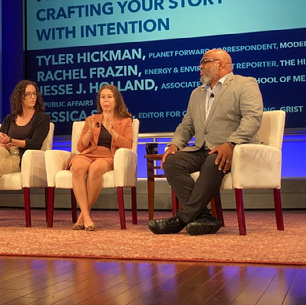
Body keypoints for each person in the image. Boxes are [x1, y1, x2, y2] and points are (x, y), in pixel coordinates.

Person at [148, 48, 263, 236]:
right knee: (171, 162)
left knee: (214, 159)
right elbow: (187, 125)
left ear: (221, 64)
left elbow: (252, 118)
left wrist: (231, 143)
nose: (200, 66)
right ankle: (204, 218)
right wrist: (175, 144)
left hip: (235, 149)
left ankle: (181, 219)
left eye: (205, 61)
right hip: (202, 148)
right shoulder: (197, 93)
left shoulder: (244, 84)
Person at [0, 80, 50, 229]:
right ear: (20, 97)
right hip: (2, 153)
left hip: (20, 156)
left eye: (34, 94)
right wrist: (0, 142)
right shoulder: (9, 118)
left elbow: (35, 143)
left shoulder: (42, 118)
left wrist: (11, 140)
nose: (33, 97)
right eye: (28, 94)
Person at [69, 84, 133, 231]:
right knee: (77, 166)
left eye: (109, 97)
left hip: (107, 156)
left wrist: (113, 132)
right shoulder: (92, 119)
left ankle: (82, 217)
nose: (106, 100)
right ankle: (86, 216)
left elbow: (128, 144)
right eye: (103, 97)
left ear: (116, 100)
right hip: (89, 153)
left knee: (95, 169)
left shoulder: (125, 121)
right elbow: (80, 147)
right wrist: (90, 132)